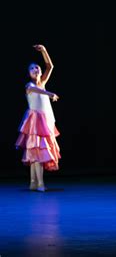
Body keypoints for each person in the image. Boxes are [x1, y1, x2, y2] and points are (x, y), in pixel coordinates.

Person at [15, 45, 61, 192]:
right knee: (38, 152)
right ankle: (39, 183)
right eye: (33, 68)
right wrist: (50, 94)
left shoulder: (43, 83)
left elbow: (50, 65)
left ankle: (34, 183)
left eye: (37, 67)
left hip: (44, 121)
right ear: (29, 73)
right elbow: (36, 90)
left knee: (36, 153)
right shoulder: (29, 85)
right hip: (35, 123)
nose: (36, 69)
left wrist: (44, 51)